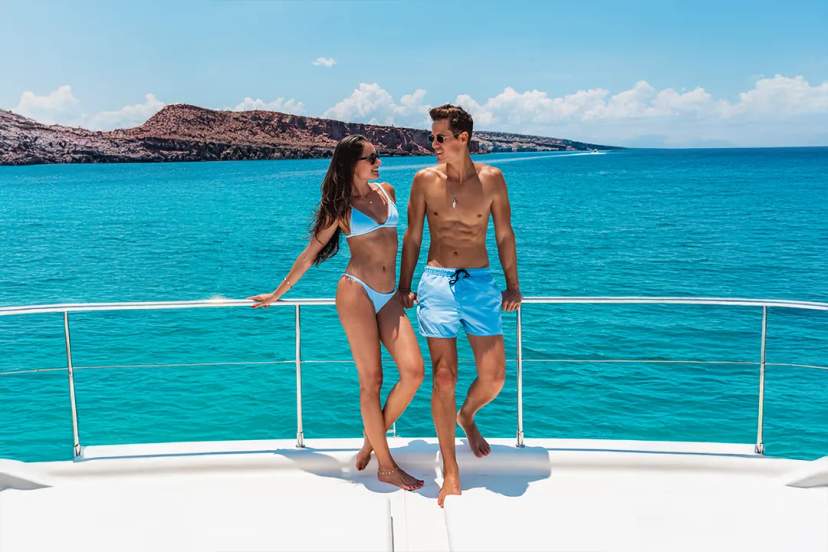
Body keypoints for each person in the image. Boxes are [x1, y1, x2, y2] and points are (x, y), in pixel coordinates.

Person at [249, 135, 425, 491]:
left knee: (414, 373)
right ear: (350, 164)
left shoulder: (388, 191)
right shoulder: (340, 207)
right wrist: (277, 293)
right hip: (355, 292)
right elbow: (309, 254)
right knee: (371, 381)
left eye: (378, 155)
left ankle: (370, 442)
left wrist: (405, 286)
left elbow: (405, 242)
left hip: (389, 296)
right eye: (371, 157)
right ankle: (386, 465)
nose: (378, 161)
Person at [397, 104, 522, 506]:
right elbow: (413, 237)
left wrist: (513, 285)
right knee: (444, 376)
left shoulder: (492, 179)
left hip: (480, 282)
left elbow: (504, 234)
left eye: (439, 137)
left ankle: (467, 416)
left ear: (462, 139)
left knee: (494, 377)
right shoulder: (423, 180)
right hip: (436, 284)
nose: (432, 143)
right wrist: (404, 286)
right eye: (432, 136)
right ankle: (451, 468)